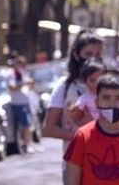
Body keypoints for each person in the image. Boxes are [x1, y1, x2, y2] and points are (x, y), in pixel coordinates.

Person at [43, 30, 105, 162]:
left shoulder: (112, 84)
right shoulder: (65, 86)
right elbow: (48, 128)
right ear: (77, 55)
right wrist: (79, 137)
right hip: (75, 162)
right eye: (88, 54)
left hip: (107, 159)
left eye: (98, 54)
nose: (93, 59)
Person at [7, 55, 35, 154]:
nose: (23, 66)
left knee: (27, 125)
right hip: (17, 103)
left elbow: (30, 84)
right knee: (23, 125)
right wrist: (23, 83)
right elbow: (12, 87)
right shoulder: (12, 74)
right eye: (21, 64)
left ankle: (29, 143)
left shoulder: (23, 73)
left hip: (25, 102)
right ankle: (26, 144)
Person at [68, 59, 106, 126]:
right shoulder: (85, 98)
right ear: (85, 82)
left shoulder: (111, 94)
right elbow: (74, 112)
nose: (96, 84)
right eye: (92, 80)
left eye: (100, 79)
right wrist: (74, 110)